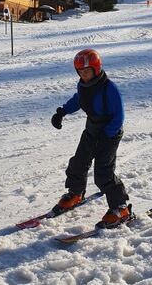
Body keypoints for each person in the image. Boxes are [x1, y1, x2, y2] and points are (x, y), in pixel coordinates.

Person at [51, 49, 130, 228]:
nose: (83, 75)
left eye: (86, 71)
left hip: (109, 134)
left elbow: (119, 116)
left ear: (96, 69)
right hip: (92, 130)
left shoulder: (109, 88)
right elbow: (79, 100)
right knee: (78, 163)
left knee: (103, 173)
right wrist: (62, 112)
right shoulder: (84, 86)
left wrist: (107, 135)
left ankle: (121, 208)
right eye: (80, 72)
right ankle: (76, 193)